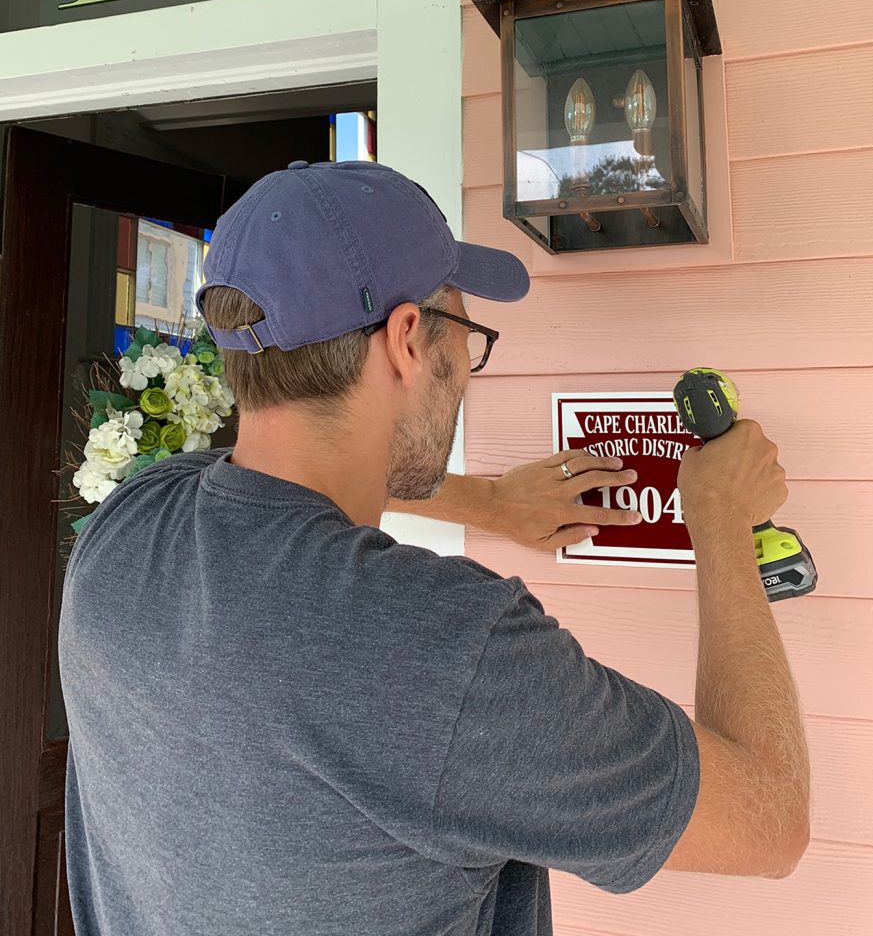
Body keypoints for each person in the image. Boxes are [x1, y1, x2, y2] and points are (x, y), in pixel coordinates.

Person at [59, 160, 810, 936]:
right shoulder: (447, 647)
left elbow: (281, 485)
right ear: (407, 340)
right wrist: (719, 519)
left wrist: (485, 500)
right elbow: (770, 819)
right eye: (466, 331)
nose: (465, 368)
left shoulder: (129, 525)